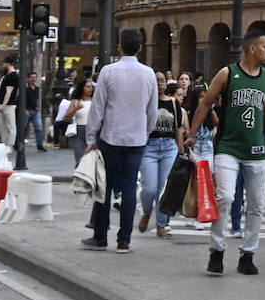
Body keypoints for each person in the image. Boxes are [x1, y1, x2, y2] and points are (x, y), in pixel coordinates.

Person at [190, 29, 265, 277]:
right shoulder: (227, 73)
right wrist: (192, 132)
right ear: (252, 48)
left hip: (257, 149)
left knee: (257, 204)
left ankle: (248, 254)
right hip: (228, 147)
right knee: (225, 197)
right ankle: (217, 250)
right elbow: (205, 102)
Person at [81, 29, 159, 253]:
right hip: (136, 139)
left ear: (119, 47)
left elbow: (98, 108)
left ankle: (100, 236)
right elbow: (151, 111)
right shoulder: (148, 73)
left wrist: (91, 137)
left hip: (111, 137)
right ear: (140, 48)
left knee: (104, 189)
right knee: (129, 187)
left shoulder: (108, 71)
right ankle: (124, 240)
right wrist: (145, 132)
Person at [138, 81, 184, 239]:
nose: (160, 83)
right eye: (156, 81)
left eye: (163, 80)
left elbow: (178, 127)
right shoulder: (146, 102)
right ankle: (146, 212)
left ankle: (161, 225)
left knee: (165, 188)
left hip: (169, 146)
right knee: (149, 188)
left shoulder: (173, 102)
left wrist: (181, 150)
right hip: (149, 146)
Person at [67, 78, 93, 167]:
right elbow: (67, 117)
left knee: (92, 158)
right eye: (87, 87)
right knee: (80, 158)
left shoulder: (95, 101)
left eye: (91, 87)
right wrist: (75, 109)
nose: (90, 89)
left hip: (92, 130)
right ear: (82, 88)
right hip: (79, 131)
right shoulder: (76, 101)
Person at [0, 57, 19, 148]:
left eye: (4, 63)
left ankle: (9, 145)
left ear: (7, 63)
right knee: (4, 126)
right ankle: (5, 144)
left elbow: (9, 91)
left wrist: (3, 105)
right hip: (4, 104)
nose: (3, 65)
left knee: (10, 126)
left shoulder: (13, 76)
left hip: (8, 105)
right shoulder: (7, 76)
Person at [23, 72, 44, 152]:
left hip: (35, 110)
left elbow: (37, 99)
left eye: (35, 77)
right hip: (27, 110)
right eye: (32, 77)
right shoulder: (25, 88)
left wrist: (38, 107)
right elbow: (21, 100)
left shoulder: (37, 88)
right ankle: (18, 144)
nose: (33, 79)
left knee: (39, 128)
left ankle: (40, 145)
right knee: (23, 128)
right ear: (28, 78)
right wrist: (24, 110)